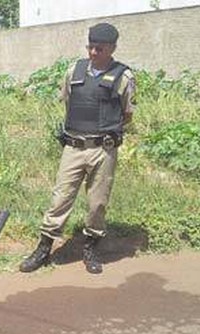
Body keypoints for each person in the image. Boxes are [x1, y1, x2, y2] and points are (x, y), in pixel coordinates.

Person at [20, 22, 135, 275]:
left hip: (103, 150)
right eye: (91, 47)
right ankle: (43, 248)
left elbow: (126, 114)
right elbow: (69, 102)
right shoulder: (75, 70)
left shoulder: (123, 77)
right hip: (73, 147)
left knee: (97, 204)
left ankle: (91, 247)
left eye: (100, 48)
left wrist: (104, 132)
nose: (94, 53)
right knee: (60, 198)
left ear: (112, 48)